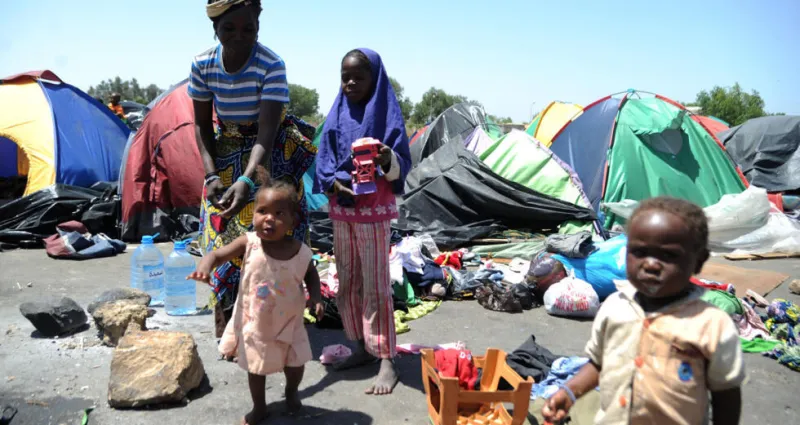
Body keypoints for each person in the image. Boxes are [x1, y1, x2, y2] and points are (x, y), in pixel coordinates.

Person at [542, 197, 745, 425]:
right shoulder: (614, 307)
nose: (650, 264)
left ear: (699, 261)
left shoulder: (711, 324)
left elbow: (726, 394)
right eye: (639, 252)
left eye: (668, 255)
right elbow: (599, 363)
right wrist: (569, 392)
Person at [190, 0, 317, 339]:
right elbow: (202, 125)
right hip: (225, 150)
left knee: (275, 232)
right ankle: (228, 327)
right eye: (228, 28)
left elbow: (267, 131)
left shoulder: (271, 64)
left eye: (249, 29)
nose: (239, 36)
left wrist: (247, 179)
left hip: (268, 153)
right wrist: (211, 175)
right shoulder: (202, 63)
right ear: (215, 28)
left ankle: (276, 323)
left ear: (258, 26)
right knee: (221, 232)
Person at [314, 48, 412, 395]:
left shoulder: (387, 117)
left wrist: (387, 159)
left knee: (376, 285)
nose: (351, 83)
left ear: (376, 79)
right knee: (348, 281)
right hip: (342, 211)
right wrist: (334, 184)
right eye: (346, 77)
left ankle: (386, 357)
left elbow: (401, 166)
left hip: (373, 211)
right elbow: (324, 161)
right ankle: (360, 345)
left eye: (359, 76)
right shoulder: (336, 115)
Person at [188, 179, 324, 424]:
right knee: (256, 367)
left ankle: (291, 391)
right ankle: (259, 407)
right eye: (262, 211)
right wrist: (205, 266)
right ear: (253, 215)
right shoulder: (249, 243)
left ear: (293, 221)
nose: (269, 218)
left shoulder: (301, 250)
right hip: (256, 322)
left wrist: (316, 296)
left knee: (295, 363)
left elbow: (311, 275)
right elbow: (217, 255)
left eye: (279, 213)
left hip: (290, 322)